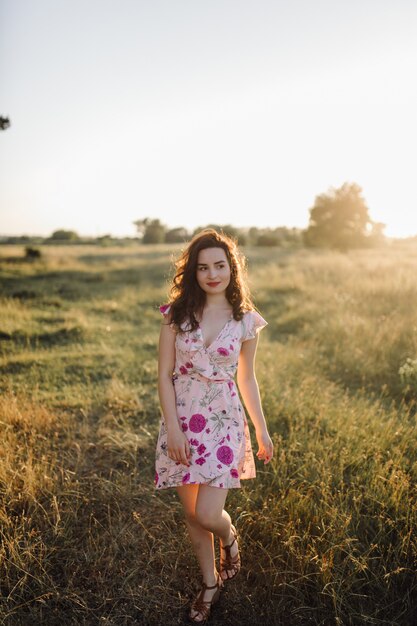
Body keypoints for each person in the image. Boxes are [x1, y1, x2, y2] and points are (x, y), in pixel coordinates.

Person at [154, 228, 274, 623]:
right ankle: (209, 584)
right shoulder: (176, 314)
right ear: (192, 272)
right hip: (183, 421)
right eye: (202, 267)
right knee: (191, 514)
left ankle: (230, 538)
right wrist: (173, 428)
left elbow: (247, 379)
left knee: (208, 514)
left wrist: (261, 428)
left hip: (223, 421)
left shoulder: (245, 321)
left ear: (232, 268)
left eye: (219, 265)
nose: (211, 274)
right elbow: (164, 375)